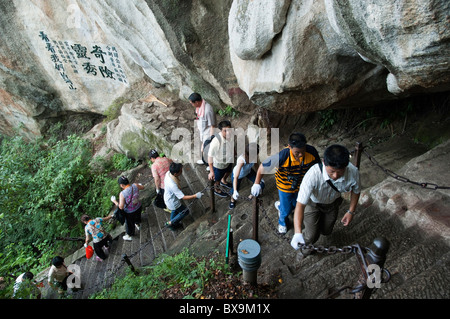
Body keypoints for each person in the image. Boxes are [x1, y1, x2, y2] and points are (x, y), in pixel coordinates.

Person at [290, 144, 361, 255]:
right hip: (313, 204)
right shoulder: (313, 175)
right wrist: (297, 232)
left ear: (346, 166)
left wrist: (351, 211)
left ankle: (313, 227)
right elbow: (300, 204)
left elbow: (356, 191)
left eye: (340, 172)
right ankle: (304, 251)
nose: (335, 175)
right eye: (331, 171)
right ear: (324, 162)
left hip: (332, 204)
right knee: (311, 235)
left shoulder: (353, 172)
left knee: (327, 231)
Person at [251, 132, 320, 234]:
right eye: (297, 152)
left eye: (303, 151)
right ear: (289, 147)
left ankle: (281, 206)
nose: (300, 155)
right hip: (285, 186)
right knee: (287, 210)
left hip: (301, 185)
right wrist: (256, 183)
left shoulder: (311, 152)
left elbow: (317, 167)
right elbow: (263, 167)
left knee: (297, 205)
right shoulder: (282, 156)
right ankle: (282, 222)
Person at [163, 162, 204, 230]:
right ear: (175, 174)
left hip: (168, 197)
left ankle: (172, 226)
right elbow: (183, 197)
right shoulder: (173, 185)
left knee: (174, 211)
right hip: (173, 202)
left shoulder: (168, 173)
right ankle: (172, 223)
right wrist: (195, 195)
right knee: (185, 211)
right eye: (180, 171)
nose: (182, 171)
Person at [229, 143, 265, 209]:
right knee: (234, 190)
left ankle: (252, 195)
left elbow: (257, 167)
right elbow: (236, 177)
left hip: (248, 171)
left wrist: (260, 177)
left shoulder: (254, 157)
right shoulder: (241, 160)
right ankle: (232, 200)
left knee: (261, 184)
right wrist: (235, 191)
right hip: (239, 175)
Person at [111, 176, 145, 241]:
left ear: (122, 185)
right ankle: (137, 224)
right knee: (137, 216)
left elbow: (121, 206)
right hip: (138, 206)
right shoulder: (135, 185)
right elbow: (143, 187)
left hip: (130, 211)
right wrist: (139, 185)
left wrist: (114, 201)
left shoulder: (122, 193)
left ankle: (129, 235)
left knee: (129, 224)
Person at [207, 120, 235, 198]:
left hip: (228, 160)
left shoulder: (231, 136)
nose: (228, 132)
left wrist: (234, 153)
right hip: (219, 164)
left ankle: (224, 181)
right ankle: (217, 190)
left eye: (229, 130)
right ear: (221, 130)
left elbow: (232, 145)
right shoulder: (216, 142)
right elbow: (210, 156)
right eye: (225, 131)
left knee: (229, 171)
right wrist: (211, 171)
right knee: (217, 180)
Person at [189, 92, 217, 167]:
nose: (192, 105)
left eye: (192, 103)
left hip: (207, 132)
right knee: (203, 148)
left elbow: (212, 125)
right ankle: (205, 160)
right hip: (203, 131)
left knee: (206, 149)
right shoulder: (199, 107)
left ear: (197, 102)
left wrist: (210, 139)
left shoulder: (207, 110)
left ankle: (209, 165)